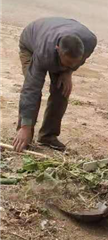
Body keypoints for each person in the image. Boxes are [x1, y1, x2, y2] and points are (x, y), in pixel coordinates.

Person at [14, 17, 97, 152]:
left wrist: (69, 71)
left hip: (54, 34)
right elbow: (31, 89)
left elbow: (77, 61)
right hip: (31, 44)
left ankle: (48, 136)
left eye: (75, 62)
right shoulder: (43, 54)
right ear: (58, 50)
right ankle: (24, 133)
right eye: (67, 63)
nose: (72, 65)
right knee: (34, 89)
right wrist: (25, 126)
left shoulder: (90, 41)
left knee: (62, 88)